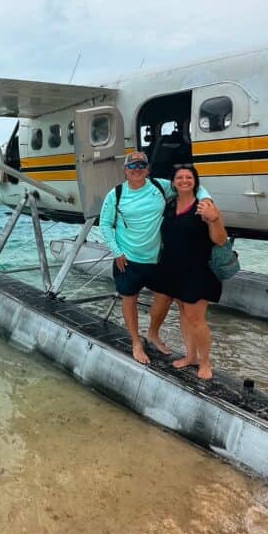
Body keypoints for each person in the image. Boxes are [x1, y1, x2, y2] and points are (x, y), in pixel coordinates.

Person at [97, 152, 212, 365]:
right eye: (132, 166)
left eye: (142, 165)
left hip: (157, 257)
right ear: (125, 170)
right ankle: (136, 342)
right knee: (129, 298)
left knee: (166, 296)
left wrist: (206, 201)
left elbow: (190, 186)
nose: (137, 169)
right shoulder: (116, 194)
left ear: (148, 170)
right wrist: (116, 251)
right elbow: (105, 224)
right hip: (128, 258)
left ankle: (153, 333)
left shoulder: (160, 187)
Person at [151, 164, 227, 380]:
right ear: (173, 183)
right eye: (180, 177)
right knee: (184, 313)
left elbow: (220, 239)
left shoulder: (204, 206)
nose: (184, 180)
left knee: (196, 318)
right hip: (173, 268)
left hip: (197, 270)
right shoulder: (170, 205)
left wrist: (214, 218)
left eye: (189, 177)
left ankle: (205, 362)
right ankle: (190, 356)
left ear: (195, 182)